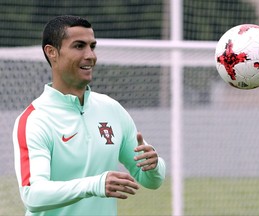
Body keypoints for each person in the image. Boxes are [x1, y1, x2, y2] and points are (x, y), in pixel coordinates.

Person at [12, 15, 166, 216]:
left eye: (92, 46)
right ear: (52, 52)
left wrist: (153, 166)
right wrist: (95, 184)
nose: (90, 55)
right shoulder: (35, 120)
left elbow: (152, 181)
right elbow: (32, 195)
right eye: (79, 46)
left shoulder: (112, 109)